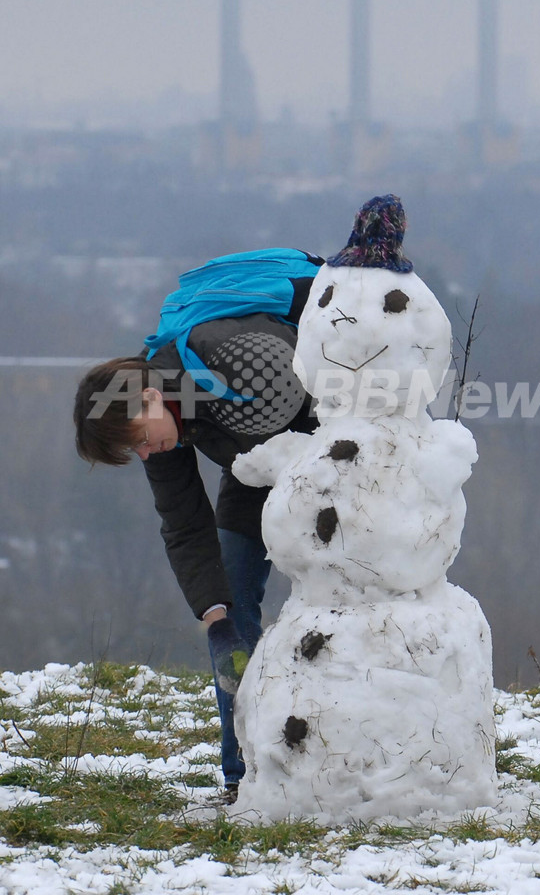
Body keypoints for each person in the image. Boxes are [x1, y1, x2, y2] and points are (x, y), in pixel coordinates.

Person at [73, 250, 323, 804]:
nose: (144, 454)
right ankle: (247, 778)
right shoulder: (155, 420)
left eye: (138, 441)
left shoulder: (227, 357)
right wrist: (214, 617)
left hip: (330, 450)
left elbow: (324, 393)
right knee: (231, 600)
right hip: (254, 460)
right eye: (131, 451)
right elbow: (185, 525)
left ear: (148, 396)